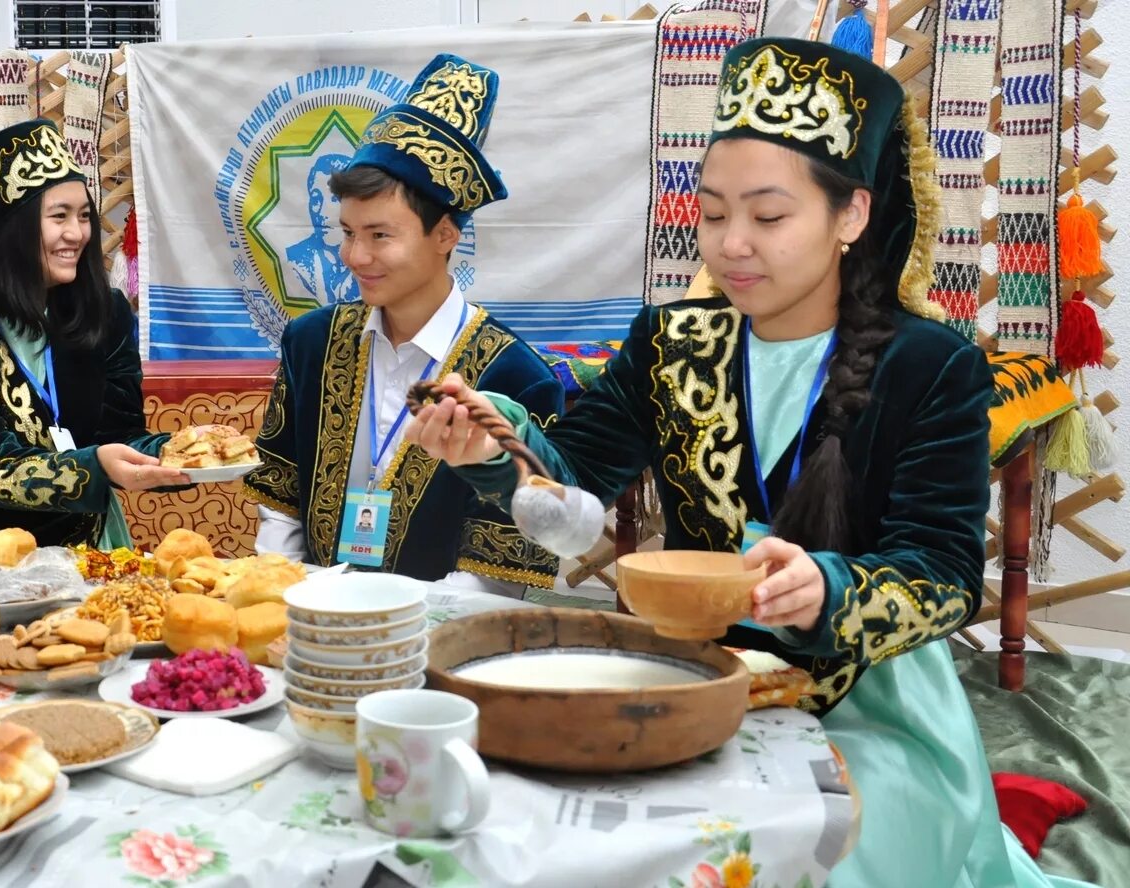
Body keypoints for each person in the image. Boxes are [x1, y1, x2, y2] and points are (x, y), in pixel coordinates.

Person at [405, 38, 1095, 887]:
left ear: (851, 216)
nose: (731, 244)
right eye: (712, 212)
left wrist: (829, 588)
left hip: (867, 706)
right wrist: (490, 451)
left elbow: (944, 572)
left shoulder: (931, 366)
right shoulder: (672, 344)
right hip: (698, 679)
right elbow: (573, 476)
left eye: (768, 217)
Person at [245, 53, 565, 597]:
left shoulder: (516, 377)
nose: (354, 255)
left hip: (435, 641)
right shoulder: (312, 342)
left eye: (379, 235)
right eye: (348, 232)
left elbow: (498, 567)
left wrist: (389, 619)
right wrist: (288, 598)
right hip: (310, 617)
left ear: (445, 235)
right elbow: (282, 497)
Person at [0, 119, 190, 552]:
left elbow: (121, 434)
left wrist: (183, 451)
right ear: (9, 230)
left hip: (90, 553)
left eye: (84, 216)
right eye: (59, 216)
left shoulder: (104, 312)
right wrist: (95, 467)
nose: (77, 234)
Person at [286, 152, 358, 305]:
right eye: (316, 199)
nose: (322, 211)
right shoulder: (294, 259)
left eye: (335, 199)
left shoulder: (372, 261)